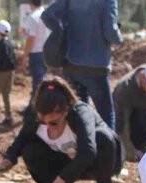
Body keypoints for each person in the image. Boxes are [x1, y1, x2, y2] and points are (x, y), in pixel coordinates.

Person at [0, 77, 123, 183]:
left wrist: (60, 180)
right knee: (29, 149)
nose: (48, 127)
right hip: (67, 160)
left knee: (104, 137)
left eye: (54, 122)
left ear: (66, 111)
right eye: (43, 122)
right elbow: (23, 138)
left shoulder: (81, 113)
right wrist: (9, 158)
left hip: (100, 164)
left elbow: (88, 152)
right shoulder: (35, 114)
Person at [42, 0, 122, 129]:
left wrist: (60, 30)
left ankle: (83, 146)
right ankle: (109, 148)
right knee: (106, 116)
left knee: (79, 114)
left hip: (71, 65)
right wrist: (119, 37)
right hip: (96, 68)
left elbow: (47, 15)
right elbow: (111, 33)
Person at [19, 0, 50, 95]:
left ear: (30, 3)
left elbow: (31, 39)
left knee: (37, 81)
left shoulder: (33, 17)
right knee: (41, 79)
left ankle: (35, 106)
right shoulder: (45, 14)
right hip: (45, 51)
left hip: (36, 53)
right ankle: (37, 104)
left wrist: (25, 56)